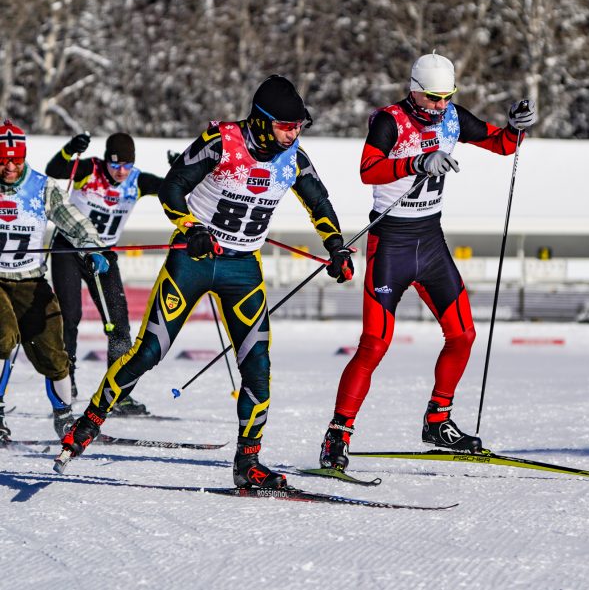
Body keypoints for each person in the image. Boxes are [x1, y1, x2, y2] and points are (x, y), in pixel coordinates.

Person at [57, 76, 355, 488]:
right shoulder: (222, 141)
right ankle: (89, 421)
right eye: (288, 126)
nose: (295, 133)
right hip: (193, 260)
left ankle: (247, 463)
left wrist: (336, 247)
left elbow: (318, 201)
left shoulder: (293, 158)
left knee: (258, 368)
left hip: (243, 269)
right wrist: (190, 225)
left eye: (299, 126)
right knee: (149, 352)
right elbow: (172, 189)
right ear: (264, 122)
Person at [318, 52, 537, 472]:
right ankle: (336, 436)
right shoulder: (390, 120)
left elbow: (501, 144)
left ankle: (438, 421)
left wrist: (516, 127)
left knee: (463, 335)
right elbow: (369, 170)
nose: (440, 106)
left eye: (447, 97)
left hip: (431, 242)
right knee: (375, 344)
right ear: (414, 90)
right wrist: (419, 160)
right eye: (433, 98)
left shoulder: (452, 117)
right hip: (391, 245)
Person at [0, 119, 108, 441]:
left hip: (31, 280)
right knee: (3, 338)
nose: (8, 167)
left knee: (55, 354)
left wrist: (91, 247)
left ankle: (64, 415)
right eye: (3, 160)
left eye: (15, 160)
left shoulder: (41, 187)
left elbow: (72, 219)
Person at [45, 132, 163, 412]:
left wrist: (181, 168)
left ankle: (118, 393)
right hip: (69, 250)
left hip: (104, 255)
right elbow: (55, 170)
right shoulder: (90, 169)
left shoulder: (137, 181)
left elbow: (173, 187)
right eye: (116, 165)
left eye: (127, 165)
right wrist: (69, 149)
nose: (121, 171)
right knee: (69, 317)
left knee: (120, 325)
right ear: (106, 161)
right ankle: (67, 383)